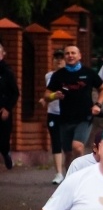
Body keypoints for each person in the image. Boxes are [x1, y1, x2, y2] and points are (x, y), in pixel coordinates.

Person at [45, 45, 103, 168]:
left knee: (77, 146)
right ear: (65, 57)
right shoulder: (58, 75)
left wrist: (98, 104)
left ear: (79, 56)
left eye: (73, 53)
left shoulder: (88, 73)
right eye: (67, 53)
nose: (70, 55)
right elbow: (46, 95)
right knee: (68, 153)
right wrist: (54, 95)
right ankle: (70, 179)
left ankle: (81, 175)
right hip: (65, 118)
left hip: (84, 117)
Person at [39, 50, 66, 183]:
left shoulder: (70, 76)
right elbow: (47, 93)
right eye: (56, 58)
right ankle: (59, 174)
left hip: (68, 113)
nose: (59, 61)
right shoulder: (48, 76)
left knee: (68, 143)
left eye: (61, 58)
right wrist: (45, 99)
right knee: (56, 141)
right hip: (53, 113)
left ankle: (70, 171)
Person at [0, 42, 20, 170]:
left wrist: (7, 108)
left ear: (3, 54)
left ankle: (5, 152)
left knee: (3, 138)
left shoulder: (6, 71)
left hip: (3, 110)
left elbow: (15, 93)